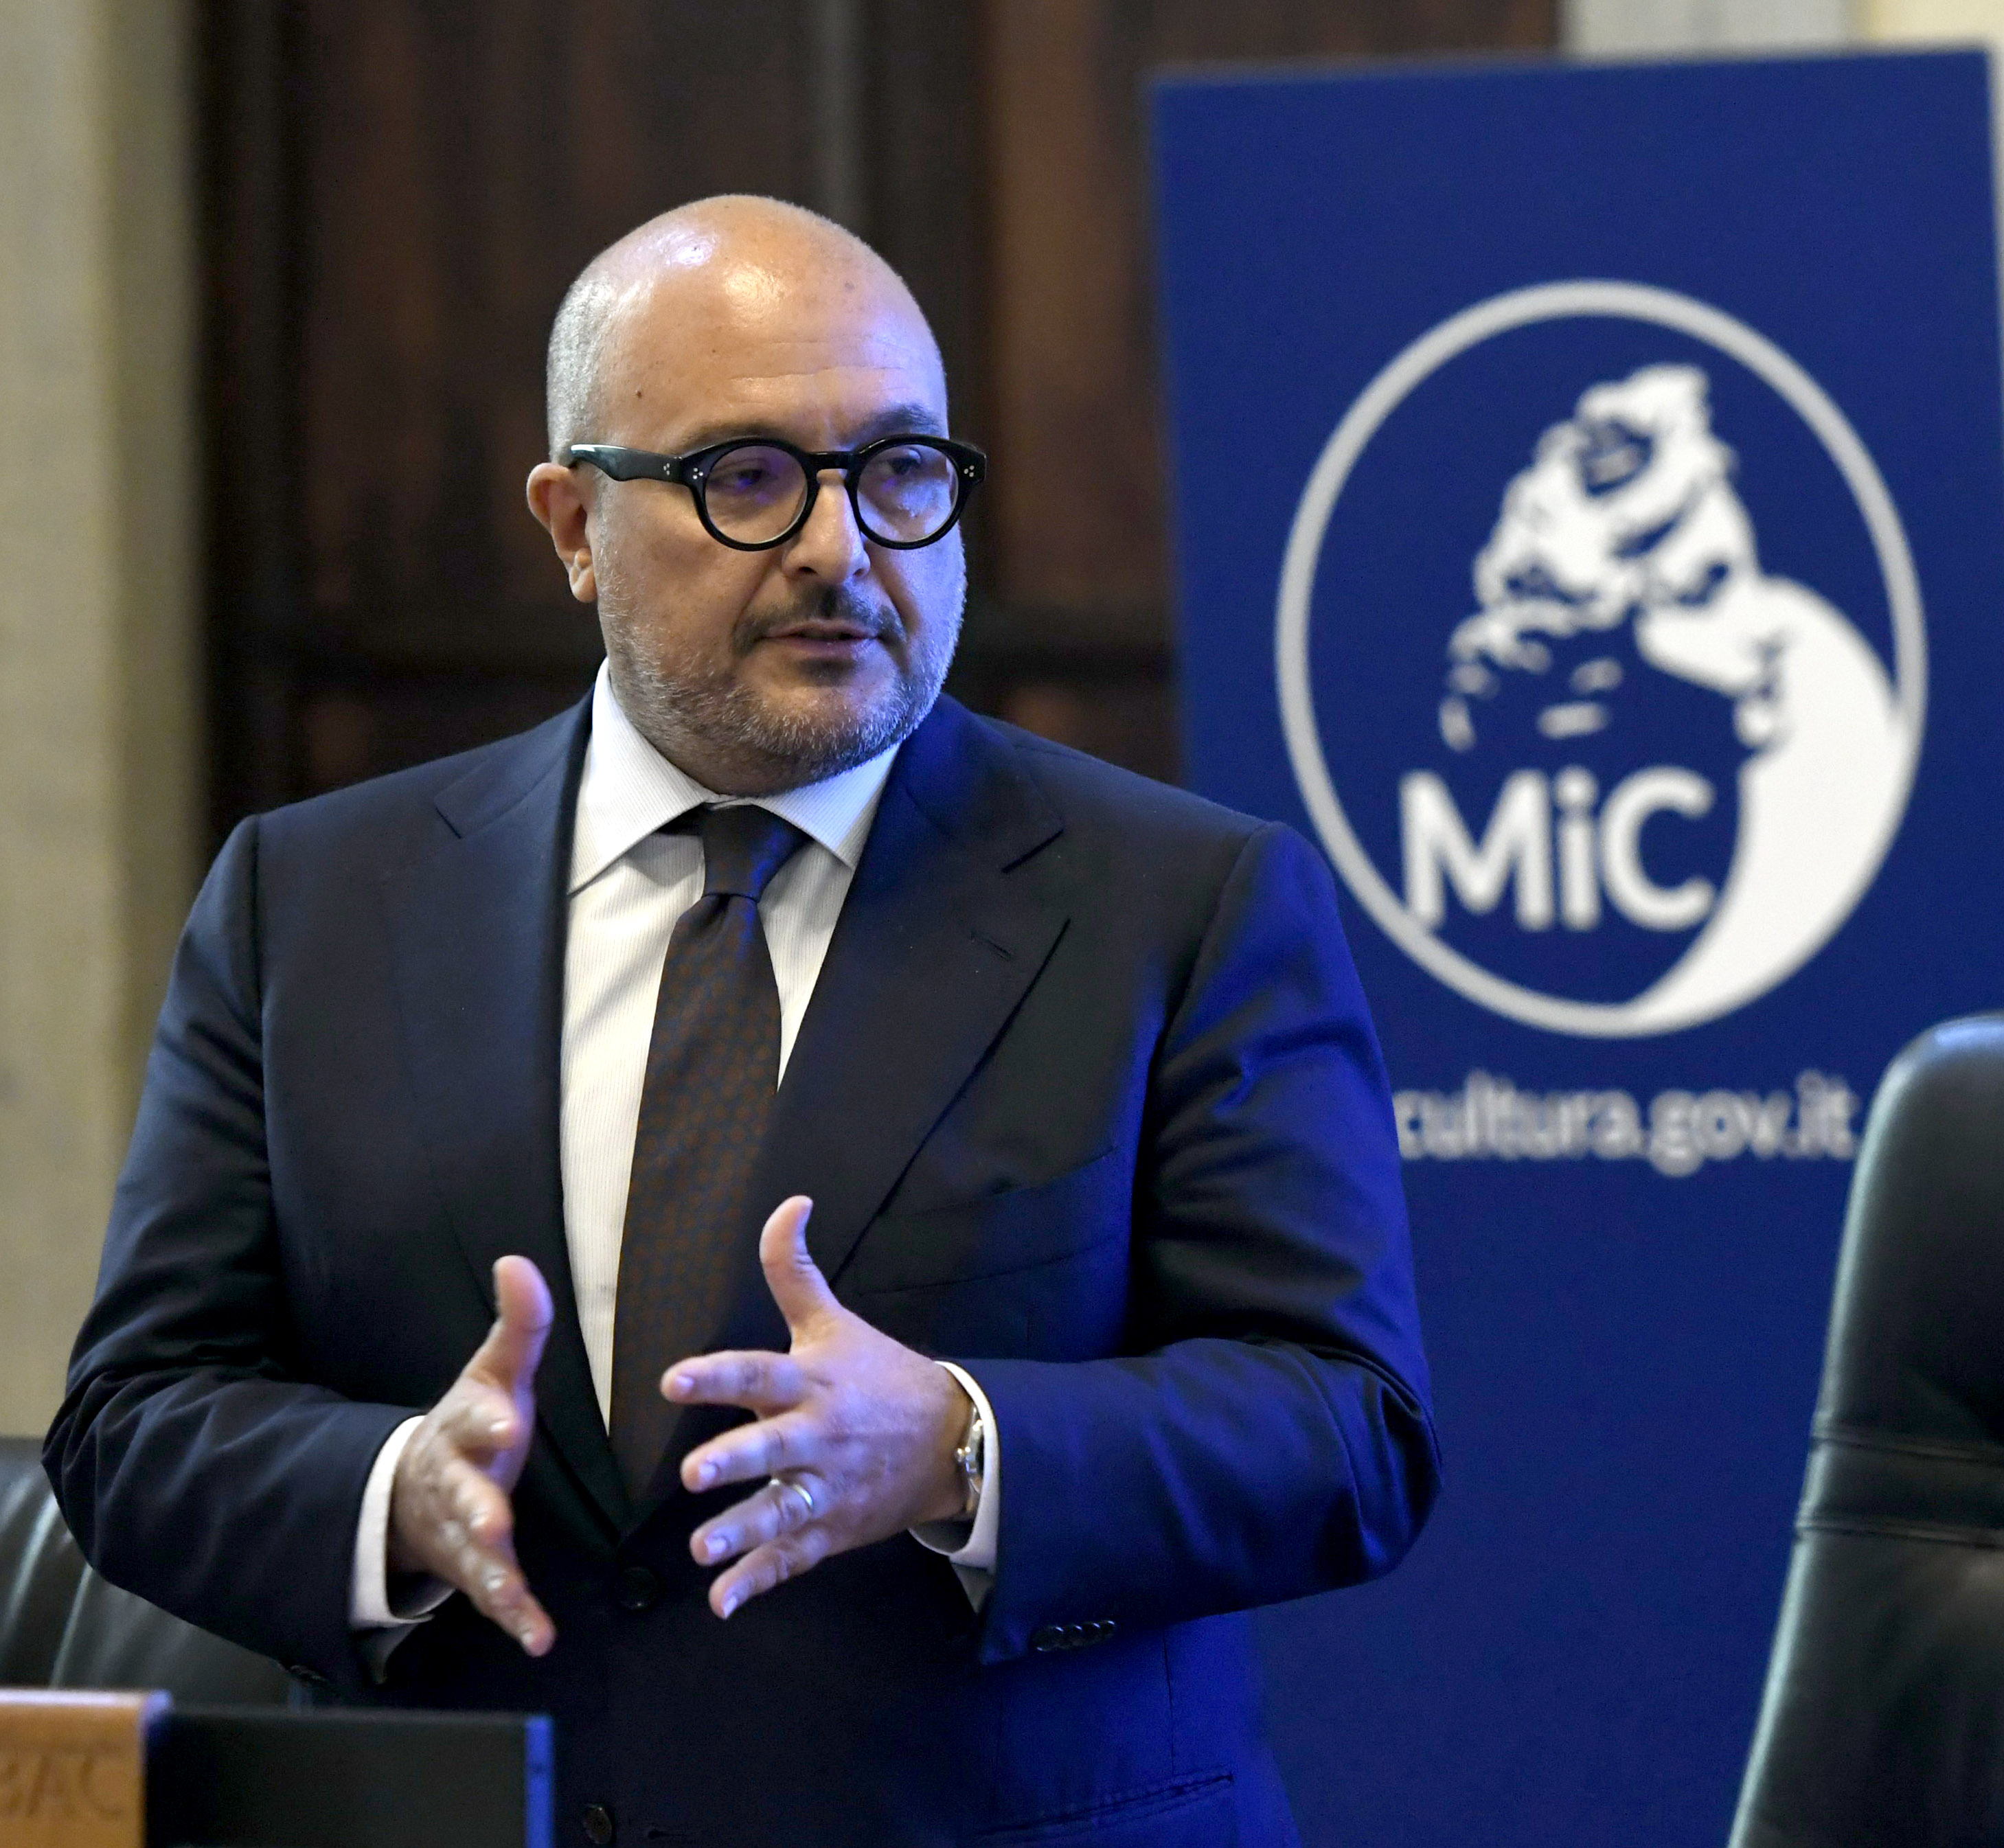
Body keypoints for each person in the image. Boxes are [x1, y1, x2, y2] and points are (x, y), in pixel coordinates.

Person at [45, 194, 1437, 1847]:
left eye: (900, 470)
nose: (843, 546)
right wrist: (390, 1491)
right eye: (750, 476)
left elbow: (1348, 1427)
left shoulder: (1180, 900)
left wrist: (962, 1444)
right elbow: (136, 1419)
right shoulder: (314, 901)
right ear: (573, 524)